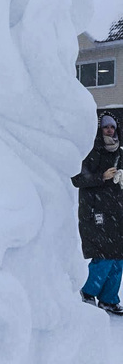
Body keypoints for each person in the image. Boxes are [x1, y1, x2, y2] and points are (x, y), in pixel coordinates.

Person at [72, 112, 123, 315]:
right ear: (99, 130)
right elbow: (77, 179)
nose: (109, 130)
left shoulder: (119, 152)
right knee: (104, 256)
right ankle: (87, 292)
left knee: (118, 257)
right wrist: (101, 176)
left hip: (117, 212)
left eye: (112, 127)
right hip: (96, 211)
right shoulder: (91, 152)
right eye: (106, 127)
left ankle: (109, 300)